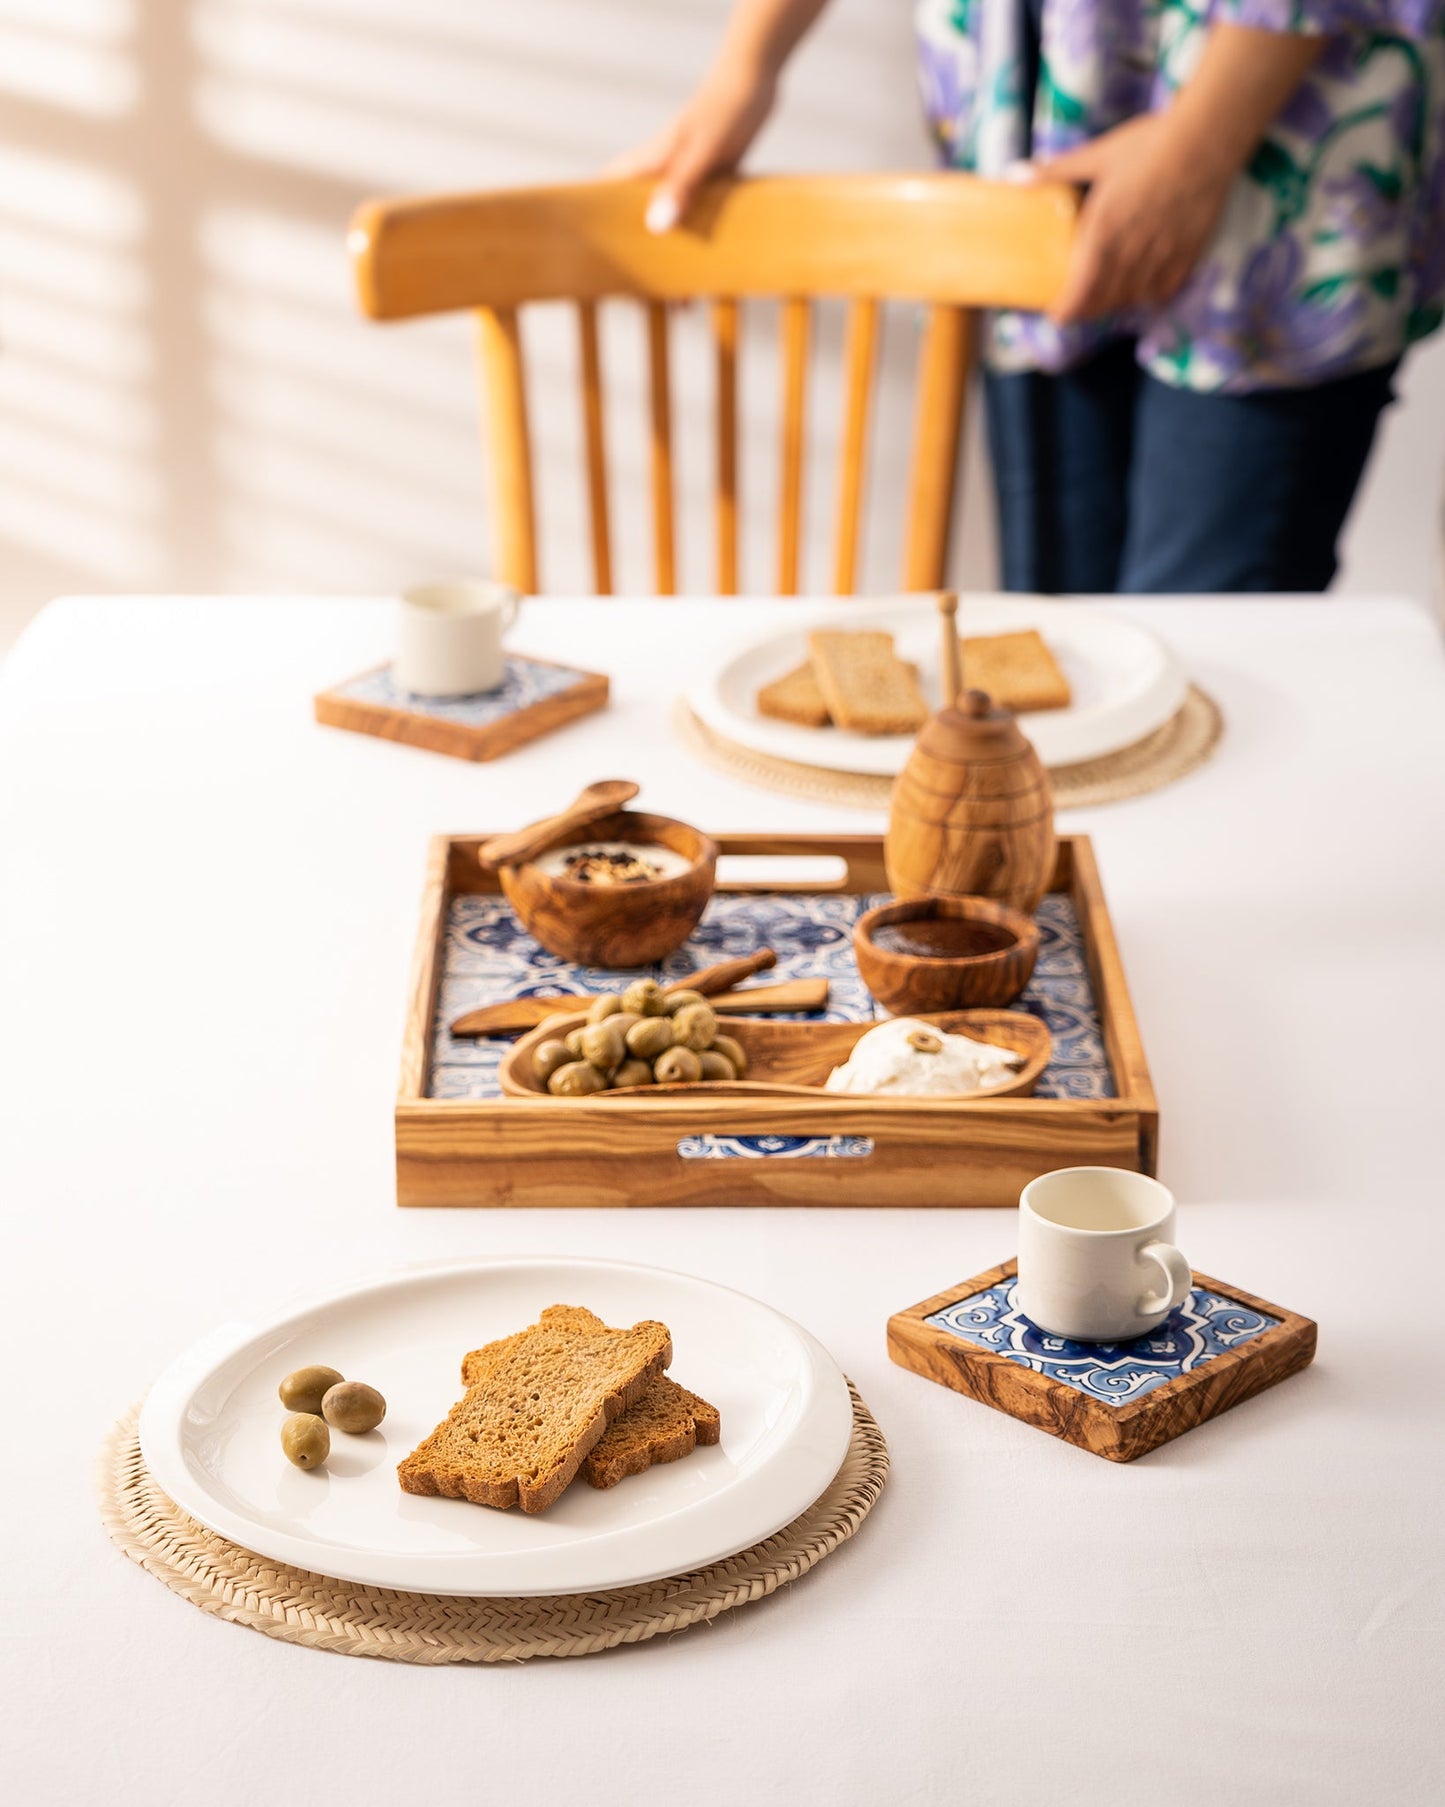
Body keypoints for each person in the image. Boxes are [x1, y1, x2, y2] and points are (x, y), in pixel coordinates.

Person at [610, 1, 1445, 594]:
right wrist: (746, 65)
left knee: (1205, 661)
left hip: (1282, 143)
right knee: (1061, 656)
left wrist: (1200, 146)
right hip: (1024, 144)